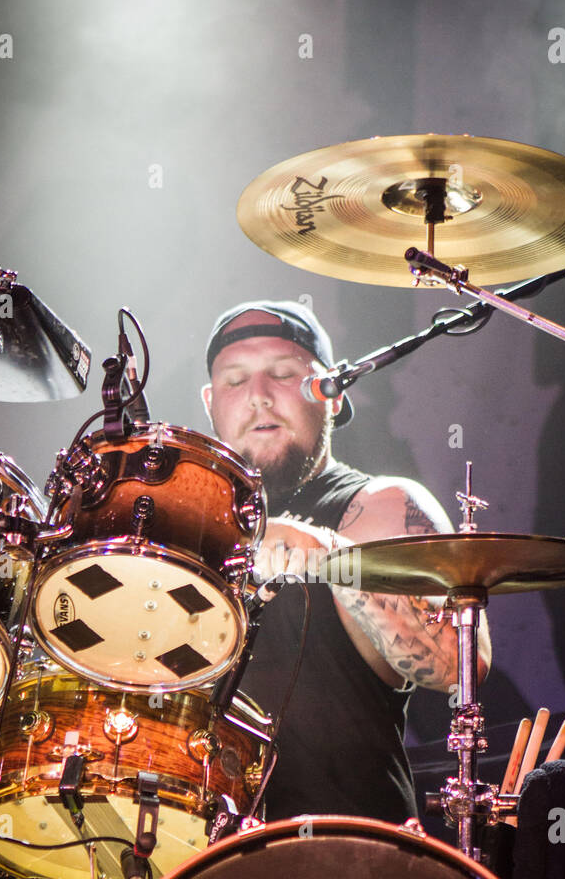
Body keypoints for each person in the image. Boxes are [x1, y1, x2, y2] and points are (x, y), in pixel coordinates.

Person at [202, 300, 491, 823]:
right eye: (234, 381)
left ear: (332, 396)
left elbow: (458, 663)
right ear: (210, 403)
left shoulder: (381, 505)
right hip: (195, 860)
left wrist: (331, 558)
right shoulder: (195, 531)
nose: (259, 397)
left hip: (352, 857)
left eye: (284, 374)